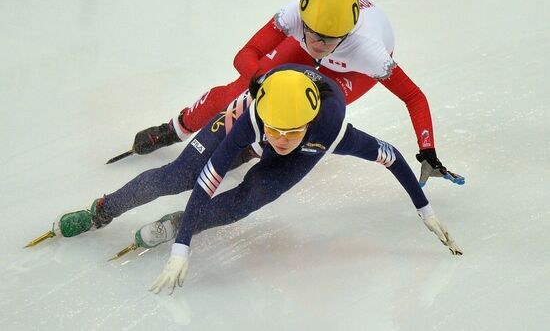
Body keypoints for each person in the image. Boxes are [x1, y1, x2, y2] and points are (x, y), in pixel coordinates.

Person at [56, 64, 462, 295]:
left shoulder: (332, 130)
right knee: (176, 175)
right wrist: (182, 251)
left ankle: (183, 221)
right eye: (276, 132)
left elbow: (390, 157)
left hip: (289, 126)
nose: (282, 141)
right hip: (253, 116)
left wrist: (424, 211)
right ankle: (101, 211)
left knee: (245, 199)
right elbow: (206, 181)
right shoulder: (252, 118)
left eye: (292, 132)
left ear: (309, 125)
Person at [129, 0, 464, 188]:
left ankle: (251, 149)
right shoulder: (296, 15)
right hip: (317, 46)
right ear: (302, 20)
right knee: (239, 90)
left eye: (329, 39)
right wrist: (259, 79)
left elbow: (414, 97)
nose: (318, 45)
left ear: (347, 34)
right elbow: (246, 54)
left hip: (349, 72)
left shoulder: (369, 53)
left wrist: (428, 151)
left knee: (300, 114)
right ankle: (176, 127)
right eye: (312, 34)